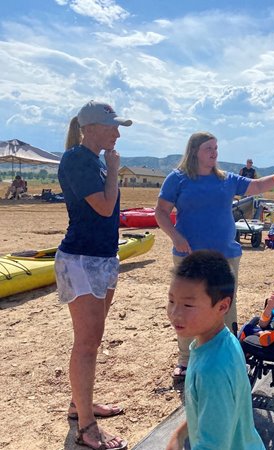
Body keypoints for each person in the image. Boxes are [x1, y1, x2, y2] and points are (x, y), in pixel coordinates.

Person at [155, 131, 274, 379]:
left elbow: (256, 186)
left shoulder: (226, 179)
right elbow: (161, 212)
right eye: (209, 148)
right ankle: (186, 360)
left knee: (224, 306)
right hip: (190, 255)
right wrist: (175, 236)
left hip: (225, 256)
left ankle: (225, 357)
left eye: (216, 148)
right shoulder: (178, 179)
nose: (215, 153)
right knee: (186, 306)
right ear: (195, 151)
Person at [55, 100, 131, 450]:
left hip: (102, 258)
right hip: (82, 259)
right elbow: (103, 206)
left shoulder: (96, 160)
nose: (117, 132)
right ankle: (86, 427)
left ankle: (79, 405)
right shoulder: (77, 159)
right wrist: (113, 170)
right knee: (86, 343)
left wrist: (110, 168)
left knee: (93, 340)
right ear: (92, 128)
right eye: (113, 126)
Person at [166, 250, 265, 450]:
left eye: (187, 305)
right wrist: (179, 434)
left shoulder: (212, 369)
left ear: (222, 307)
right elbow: (211, 410)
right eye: (171, 301)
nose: (175, 313)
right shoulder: (224, 341)